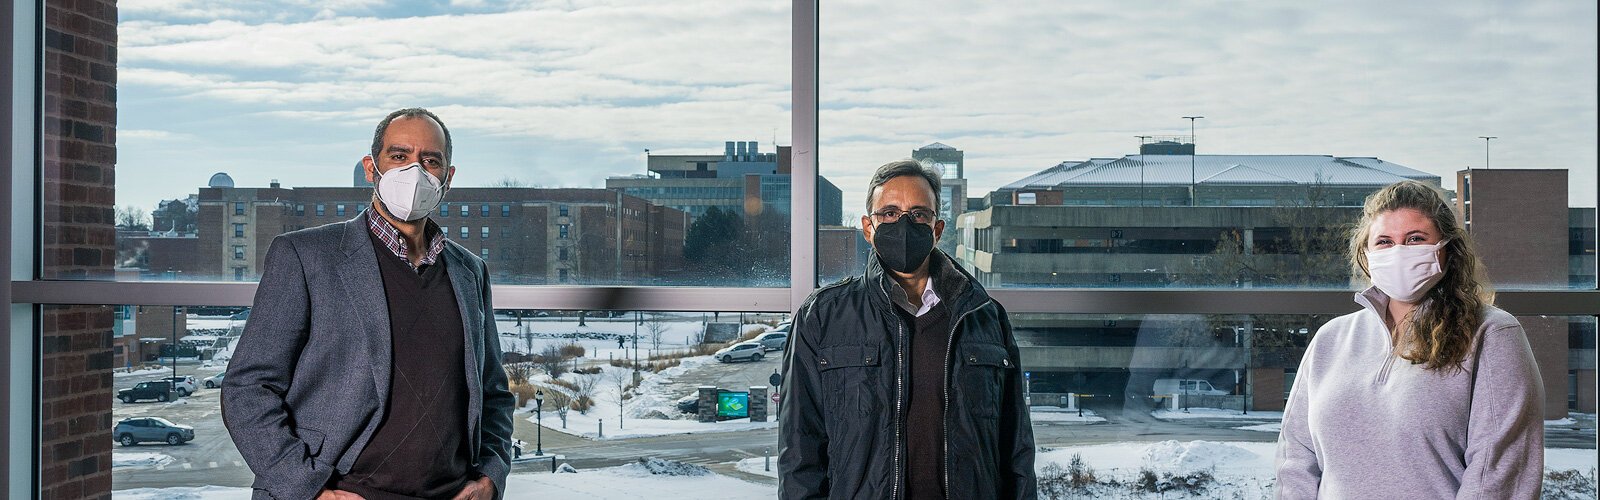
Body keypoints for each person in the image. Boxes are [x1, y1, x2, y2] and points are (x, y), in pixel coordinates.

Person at [223, 108, 514, 500]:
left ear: (448, 177)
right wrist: (307, 488)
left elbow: (494, 390)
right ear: (370, 168)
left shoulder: (469, 271)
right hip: (340, 492)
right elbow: (248, 388)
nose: (415, 171)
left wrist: (491, 475)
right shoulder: (305, 256)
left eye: (430, 160)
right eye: (399, 156)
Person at [779, 160, 1036, 499]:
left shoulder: (986, 317)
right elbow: (799, 452)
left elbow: (1015, 449)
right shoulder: (823, 317)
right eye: (889, 213)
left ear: (937, 229)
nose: (903, 224)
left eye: (918, 214)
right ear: (868, 228)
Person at [1275, 180, 1544, 498]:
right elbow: (1295, 460)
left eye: (1416, 239)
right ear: (1366, 255)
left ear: (1446, 249)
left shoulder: (1492, 334)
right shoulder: (1330, 340)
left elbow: (1498, 474)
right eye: (1385, 242)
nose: (1399, 251)